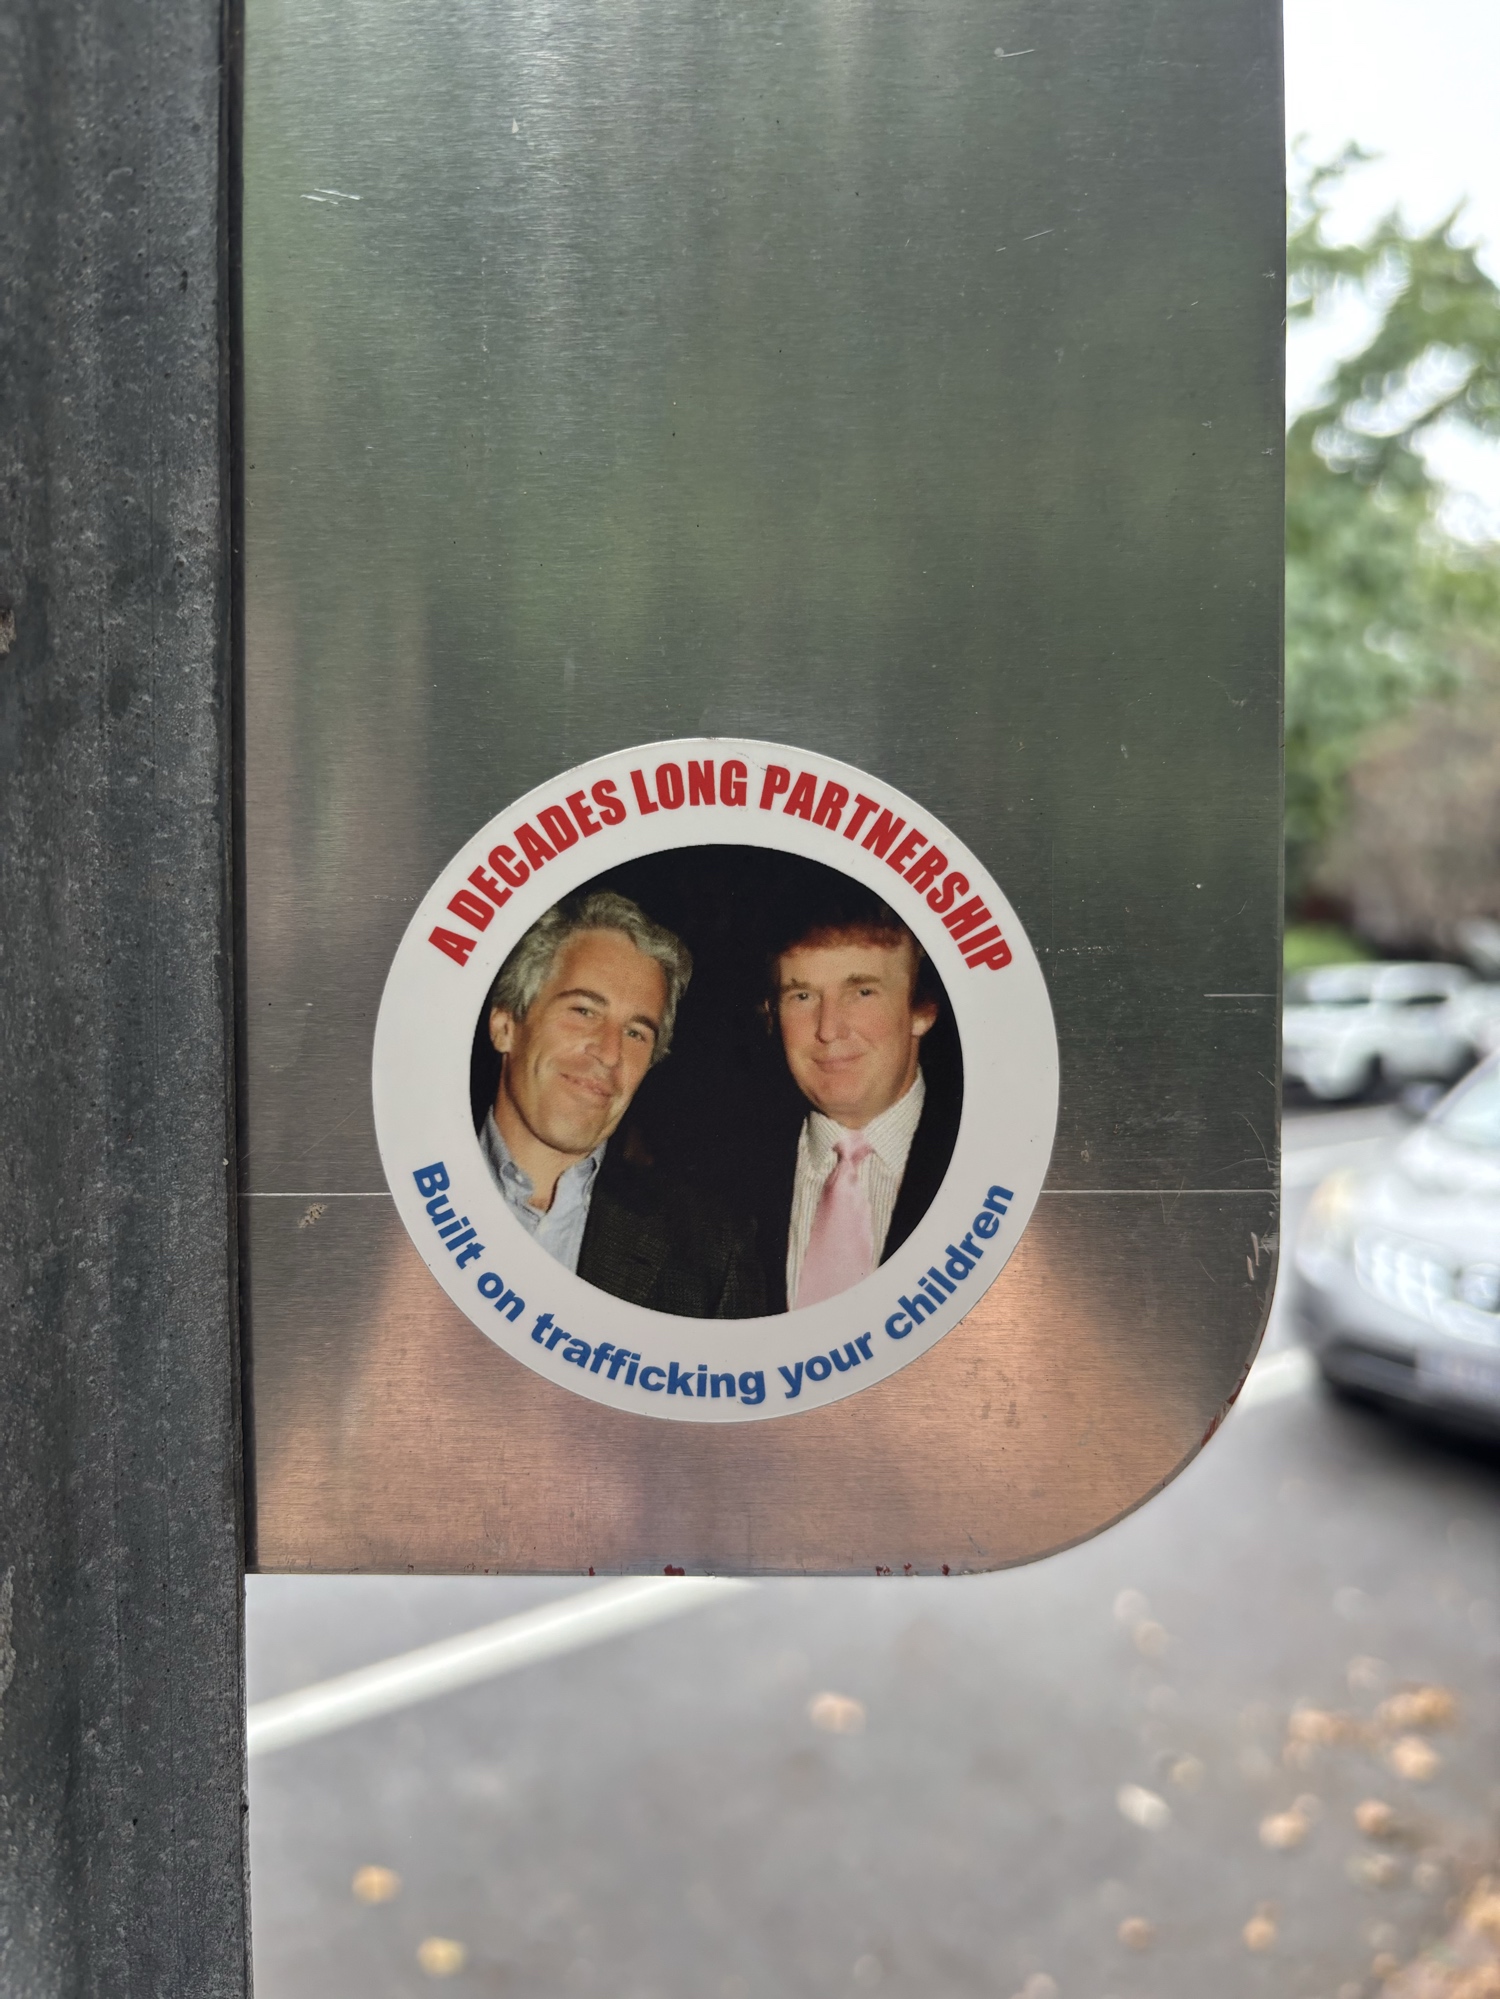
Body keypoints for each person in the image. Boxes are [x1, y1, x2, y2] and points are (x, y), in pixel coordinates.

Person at [480, 890, 764, 1317]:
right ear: (506, 1026)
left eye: (636, 1033)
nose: (610, 1053)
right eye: (584, 1011)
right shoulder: (392, 1197)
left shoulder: (708, 1255)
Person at [758, 889, 960, 1311]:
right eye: (802, 996)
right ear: (772, 1015)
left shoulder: (989, 1165)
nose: (828, 1029)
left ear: (922, 1010)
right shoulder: (713, 1181)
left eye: (862, 992)